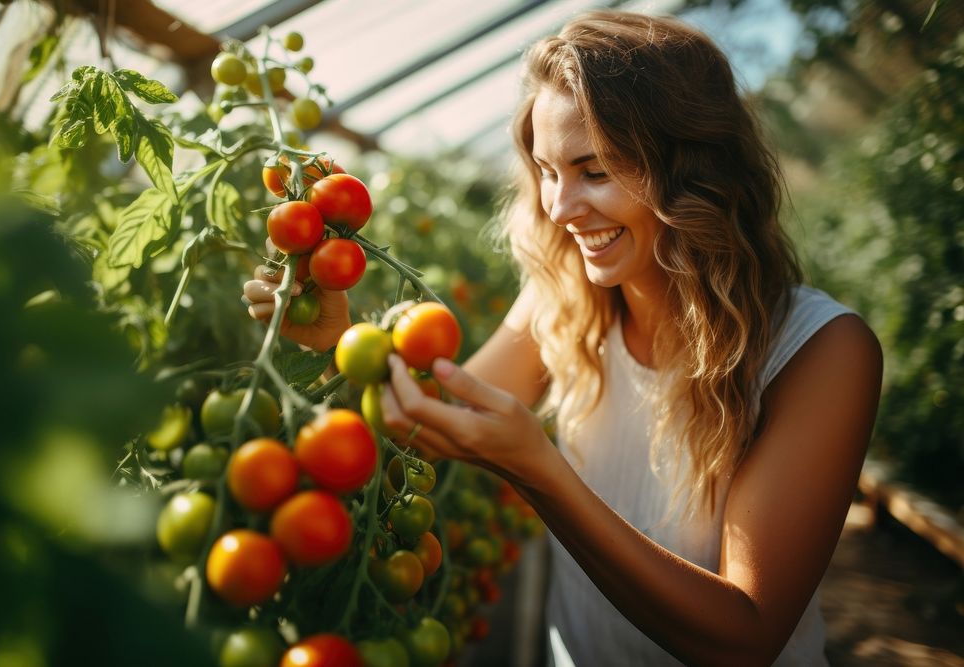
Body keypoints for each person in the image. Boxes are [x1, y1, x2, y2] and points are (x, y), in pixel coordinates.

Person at [244, 10, 883, 666]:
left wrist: (541, 473)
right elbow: (441, 417)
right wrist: (338, 340)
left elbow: (745, 636)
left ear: (693, 172)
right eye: (548, 171)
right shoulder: (567, 300)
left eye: (594, 170)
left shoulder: (821, 351)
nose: (557, 205)